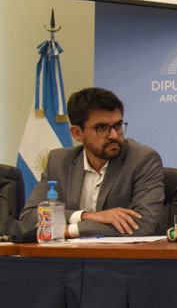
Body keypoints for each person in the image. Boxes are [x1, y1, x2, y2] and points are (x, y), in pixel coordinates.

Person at [20, 87, 165, 238]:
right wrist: (86, 216)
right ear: (77, 133)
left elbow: (142, 226)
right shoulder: (59, 161)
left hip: (121, 259)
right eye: (102, 128)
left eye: (117, 126)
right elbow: (29, 217)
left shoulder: (142, 159)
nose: (114, 135)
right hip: (69, 258)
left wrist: (68, 230)